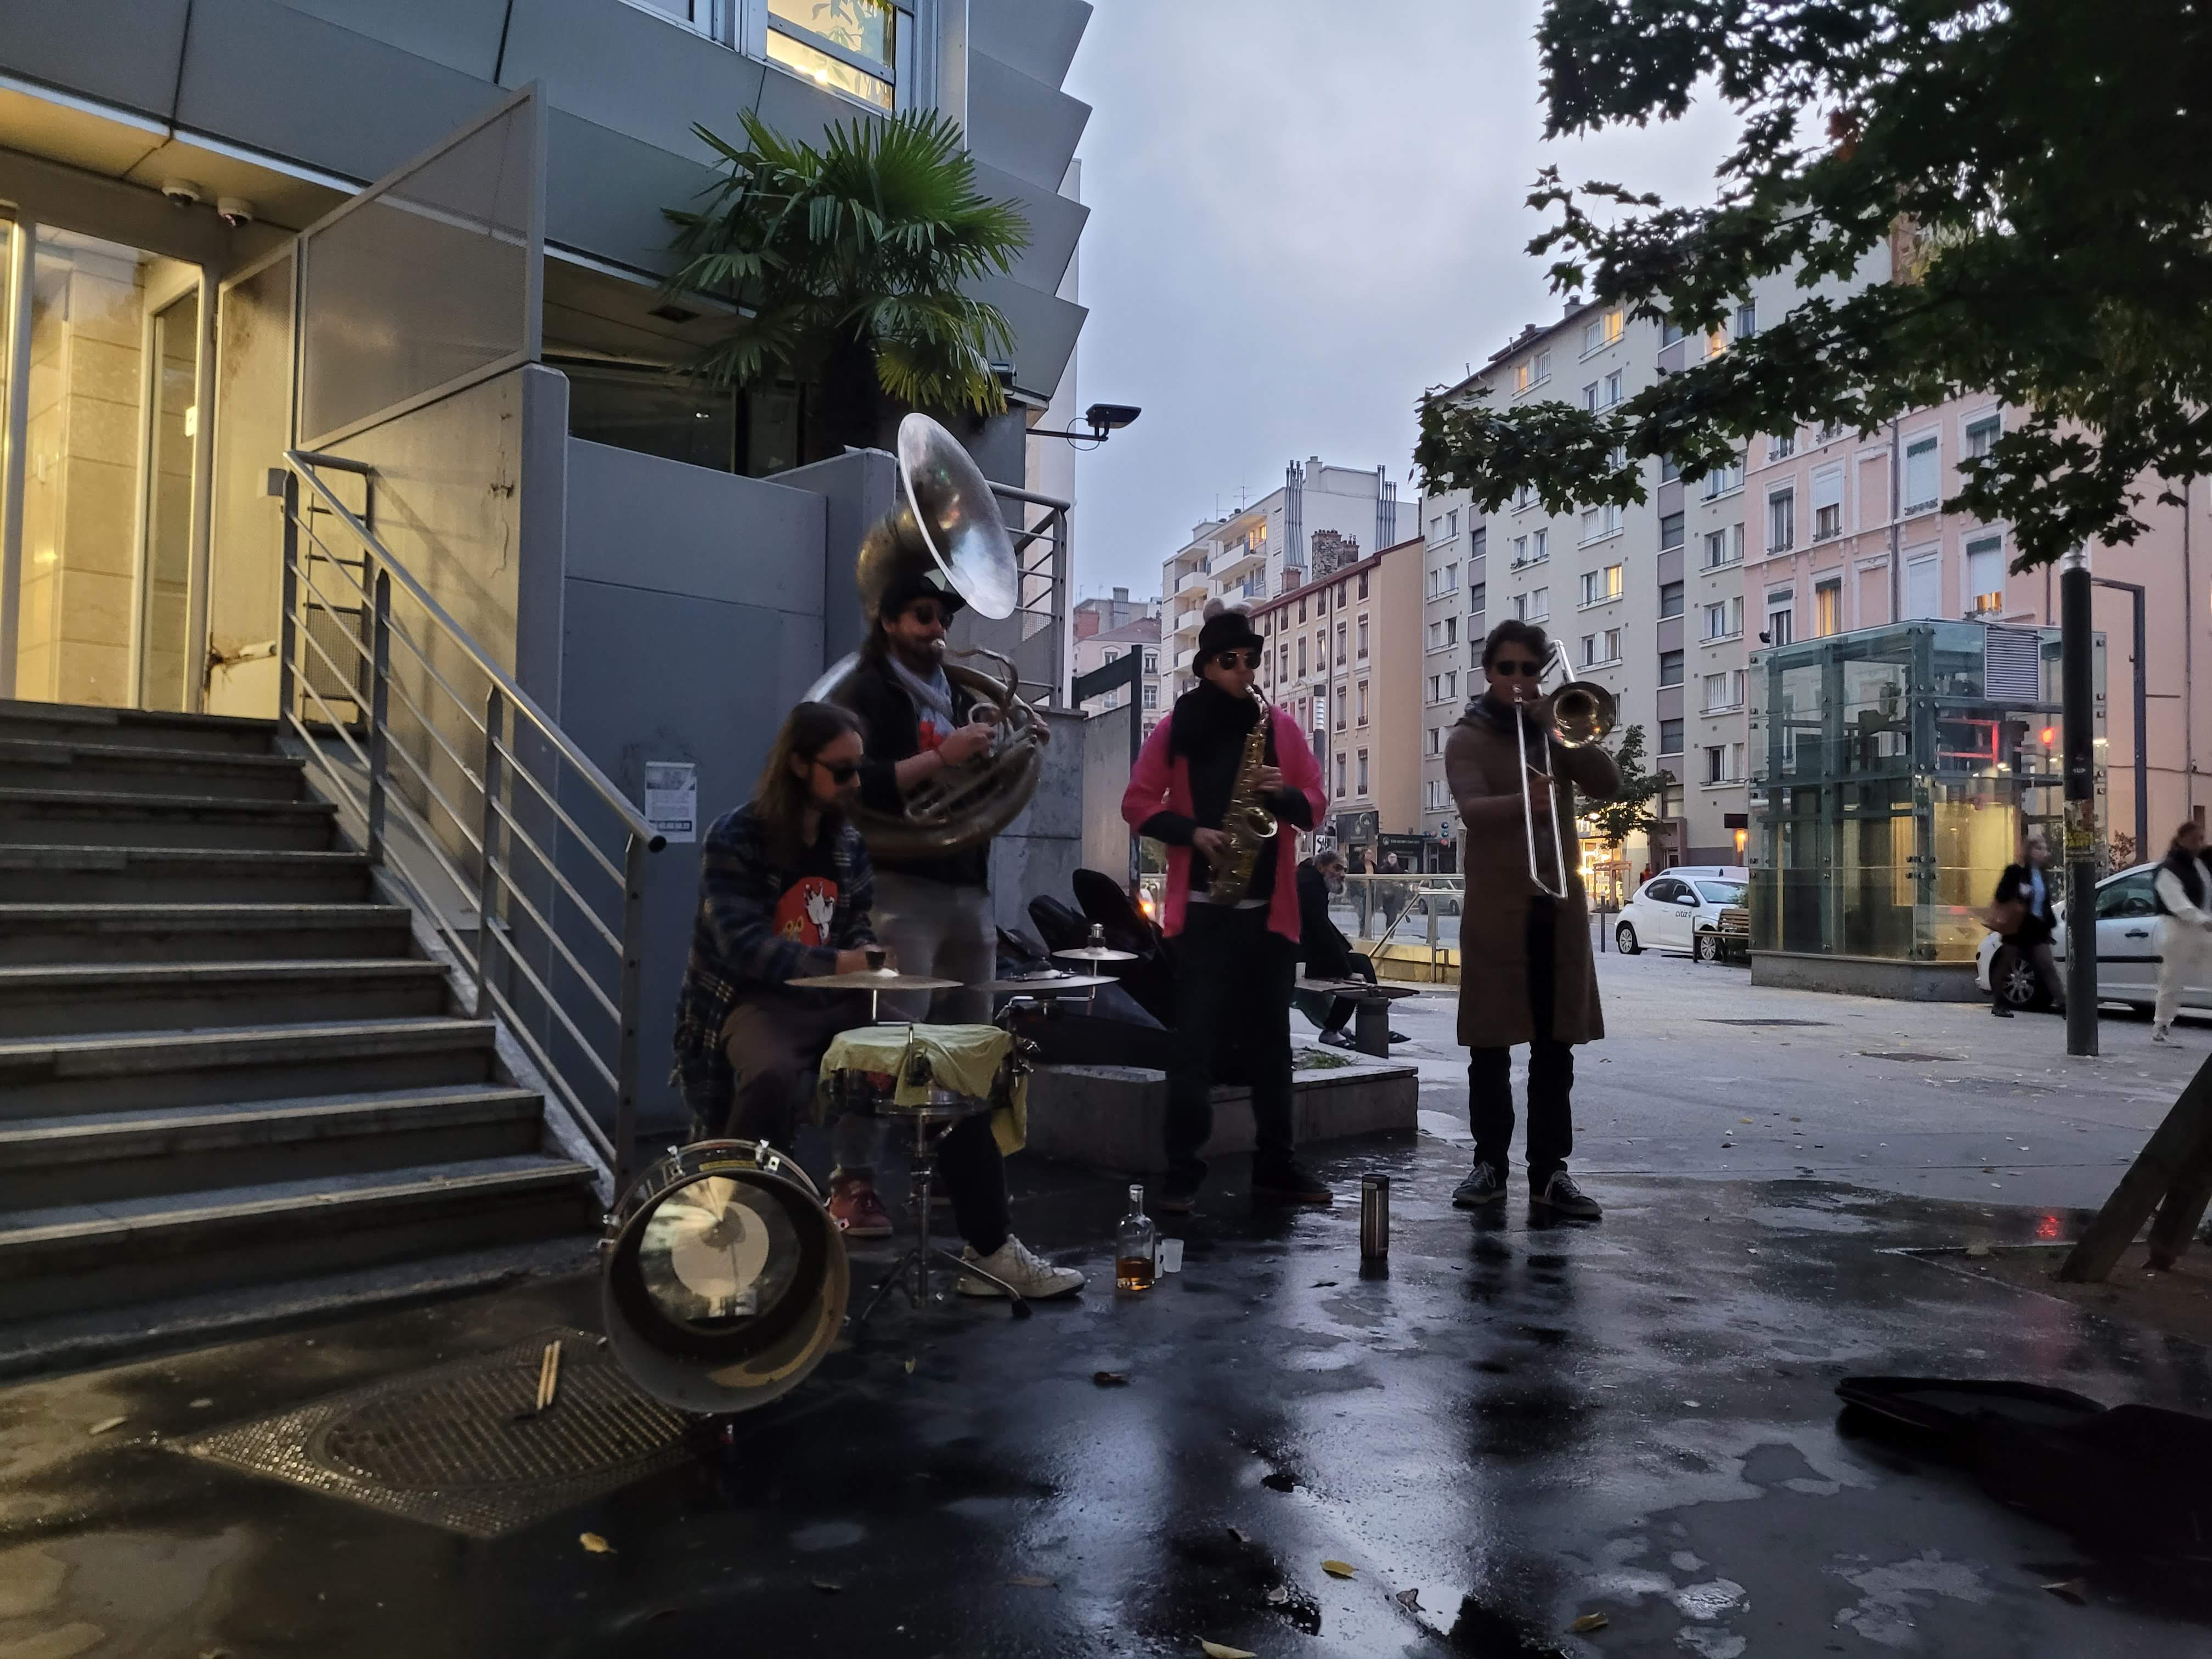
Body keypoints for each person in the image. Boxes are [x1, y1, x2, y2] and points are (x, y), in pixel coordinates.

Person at [670, 701, 1080, 1298]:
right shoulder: (735, 836)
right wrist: (837, 961)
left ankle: (993, 1252)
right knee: (771, 1077)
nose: (855, 783)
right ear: (798, 766)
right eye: (841, 771)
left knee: (950, 1064)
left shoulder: (847, 842)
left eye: (858, 769)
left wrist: (867, 952)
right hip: (753, 1002)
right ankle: (735, 1244)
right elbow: (741, 945)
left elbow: (854, 922)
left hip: (835, 1002)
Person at [1122, 603, 1331, 1212]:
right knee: (1194, 1047)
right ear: (1206, 666)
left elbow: (1316, 806)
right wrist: (1194, 834)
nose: (1244, 670)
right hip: (1203, 912)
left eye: (1251, 660)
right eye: (1230, 660)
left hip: (1267, 913)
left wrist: (1282, 792)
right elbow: (1138, 804)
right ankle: (1182, 1172)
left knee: (1273, 1047)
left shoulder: (1278, 727)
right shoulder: (1177, 727)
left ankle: (1276, 1165)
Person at [831, 568, 1013, 1226]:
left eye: (944, 619)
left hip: (967, 883)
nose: (938, 631)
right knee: (889, 1039)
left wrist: (1006, 747)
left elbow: (984, 783)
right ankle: (852, 1181)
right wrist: (944, 758)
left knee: (967, 1041)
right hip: (901, 883)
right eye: (923, 617)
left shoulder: (957, 693)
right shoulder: (865, 691)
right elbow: (853, 781)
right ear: (888, 622)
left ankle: (952, 1173)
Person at [1443, 619, 1621, 1221]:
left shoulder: (1554, 731)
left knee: (1555, 1049)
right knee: (1490, 1047)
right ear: (1489, 673)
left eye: (1529, 670)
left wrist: (1563, 730)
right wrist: (1528, 802)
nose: (1518, 680)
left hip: (1556, 909)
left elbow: (1610, 783)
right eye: (1507, 669)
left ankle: (1550, 1173)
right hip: (1498, 910)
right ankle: (1489, 1165)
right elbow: (1472, 809)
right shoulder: (1467, 737)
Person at [1294, 848, 1404, 1048]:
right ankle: (1337, 1028)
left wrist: (1344, 956)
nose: (1343, 874)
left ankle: (1367, 1022)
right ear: (1321, 867)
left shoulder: (1310, 880)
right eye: (1337, 868)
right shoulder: (1310, 885)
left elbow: (1321, 927)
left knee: (1360, 964)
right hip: (1299, 957)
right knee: (1358, 970)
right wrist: (1346, 970)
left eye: (1344, 870)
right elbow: (1319, 928)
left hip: (1301, 952)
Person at [1990, 831, 2065, 1020]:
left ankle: (2064, 1005)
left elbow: (2044, 904)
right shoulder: (2016, 871)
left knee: (2047, 966)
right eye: (2039, 848)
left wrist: (2049, 926)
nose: (2044, 852)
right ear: (2030, 851)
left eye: (2045, 848)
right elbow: (2001, 895)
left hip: (2037, 929)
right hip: (2017, 927)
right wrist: (2020, 893)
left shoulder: (2042, 874)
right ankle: (1999, 1004)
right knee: (2007, 964)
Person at [2152, 821, 2212, 1043]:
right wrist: (2203, 919)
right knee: (2173, 978)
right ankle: (2161, 1026)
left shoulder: (2201, 864)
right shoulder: (2168, 869)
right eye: (2195, 839)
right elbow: (2178, 903)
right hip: (2178, 929)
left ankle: (2162, 1026)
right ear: (2181, 840)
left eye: (2202, 838)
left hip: (2203, 927)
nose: (2200, 843)